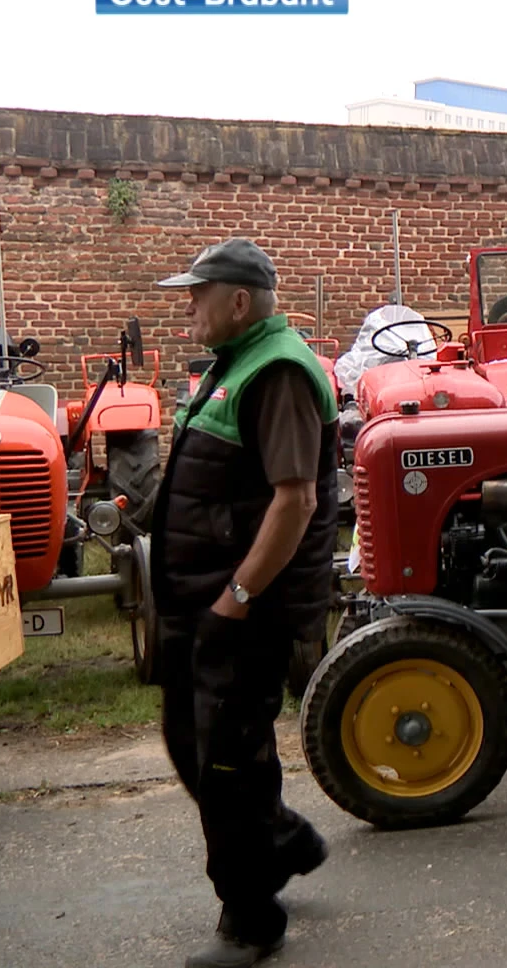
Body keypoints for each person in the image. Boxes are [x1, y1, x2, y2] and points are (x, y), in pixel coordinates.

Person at [149, 237, 342, 967]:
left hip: (240, 610)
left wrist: (236, 598)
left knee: (229, 761)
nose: (187, 308)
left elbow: (295, 502)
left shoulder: (281, 371)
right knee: (191, 744)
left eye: (196, 295)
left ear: (238, 301)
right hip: (200, 604)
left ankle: (251, 917)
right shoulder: (239, 362)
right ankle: (286, 840)